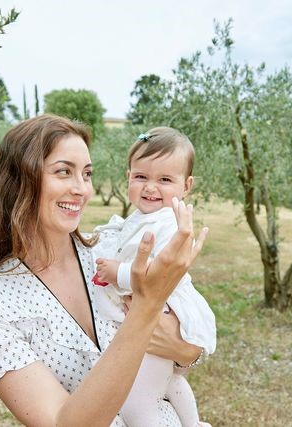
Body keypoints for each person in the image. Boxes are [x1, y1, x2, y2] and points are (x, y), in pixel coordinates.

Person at [0, 114, 209, 426]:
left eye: (87, 174)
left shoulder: (108, 252)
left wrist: (188, 352)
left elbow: (181, 353)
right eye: (64, 172)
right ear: (19, 179)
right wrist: (146, 307)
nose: (81, 189)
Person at [92, 127, 216, 427]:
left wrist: (116, 272)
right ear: (128, 176)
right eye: (141, 177)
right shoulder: (144, 217)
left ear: (186, 186)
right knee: (171, 382)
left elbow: (156, 274)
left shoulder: (170, 223)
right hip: (150, 315)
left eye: (164, 179)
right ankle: (194, 423)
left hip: (159, 312)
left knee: (138, 405)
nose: (151, 187)